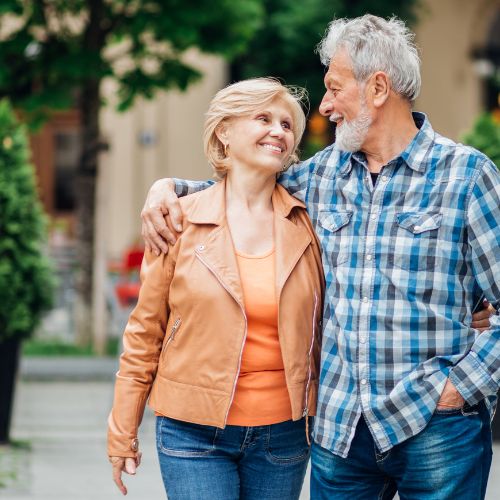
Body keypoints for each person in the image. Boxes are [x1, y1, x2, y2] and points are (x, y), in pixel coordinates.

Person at [140, 14, 499, 500]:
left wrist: (461, 387)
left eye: (334, 88)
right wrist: (168, 191)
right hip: (340, 431)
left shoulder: (466, 176)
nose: (325, 104)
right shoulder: (321, 175)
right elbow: (239, 190)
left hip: (436, 427)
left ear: (377, 88)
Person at [107, 78, 325, 499]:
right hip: (192, 434)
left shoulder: (307, 223)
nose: (278, 131)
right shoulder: (178, 220)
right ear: (224, 131)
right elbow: (144, 333)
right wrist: (122, 429)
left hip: (283, 434)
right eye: (263, 118)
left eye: (285, 123)